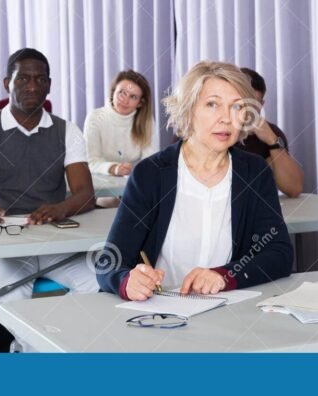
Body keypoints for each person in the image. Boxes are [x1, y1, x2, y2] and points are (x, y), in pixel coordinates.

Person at [96, 61, 293, 300]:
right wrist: (126, 281)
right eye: (212, 104)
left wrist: (225, 275)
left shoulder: (254, 171)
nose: (226, 119)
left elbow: (279, 253)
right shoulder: (151, 173)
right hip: (158, 312)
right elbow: (109, 262)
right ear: (188, 110)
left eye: (237, 107)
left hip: (230, 312)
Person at [0, 48, 99, 348]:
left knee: (100, 283)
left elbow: (85, 195)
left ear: (49, 85)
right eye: (23, 79)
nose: (32, 86)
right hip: (3, 244)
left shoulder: (66, 131)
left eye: (40, 79)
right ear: (7, 83)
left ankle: (48, 347)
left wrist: (60, 208)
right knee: (14, 297)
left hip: (56, 241)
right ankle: (30, 352)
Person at [84, 70, 159, 207]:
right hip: (101, 194)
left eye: (133, 97)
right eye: (122, 93)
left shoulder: (147, 122)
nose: (125, 100)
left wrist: (132, 171)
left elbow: (151, 162)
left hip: (136, 189)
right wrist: (114, 168)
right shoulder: (95, 118)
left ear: (140, 103)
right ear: (113, 92)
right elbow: (91, 161)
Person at [236, 68, 304, 198]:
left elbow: (294, 188)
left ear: (261, 105)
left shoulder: (271, 132)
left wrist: (272, 141)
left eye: (253, 103)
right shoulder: (216, 131)